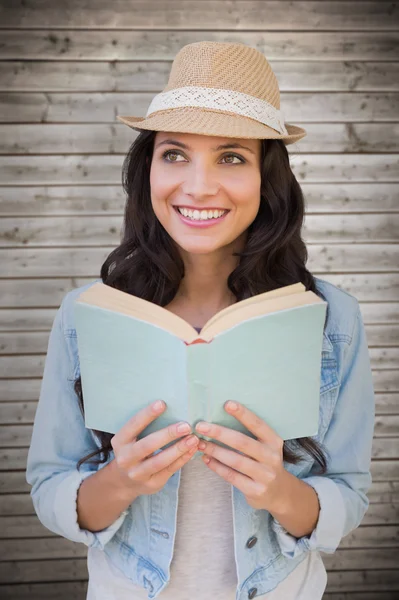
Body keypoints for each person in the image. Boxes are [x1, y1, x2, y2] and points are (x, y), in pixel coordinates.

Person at [26, 41, 375, 600]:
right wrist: (119, 481)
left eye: (232, 157)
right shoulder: (85, 314)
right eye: (175, 153)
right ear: (148, 169)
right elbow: (49, 486)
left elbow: (349, 496)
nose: (197, 186)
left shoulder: (333, 320)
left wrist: (277, 488)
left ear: (268, 176)